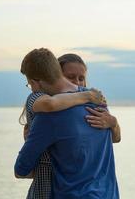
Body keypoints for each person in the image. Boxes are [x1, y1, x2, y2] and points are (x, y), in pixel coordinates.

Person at [14, 48, 119, 198]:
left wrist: (31, 142)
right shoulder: (98, 101)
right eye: (71, 76)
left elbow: (21, 170)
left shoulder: (49, 116)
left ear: (34, 83)